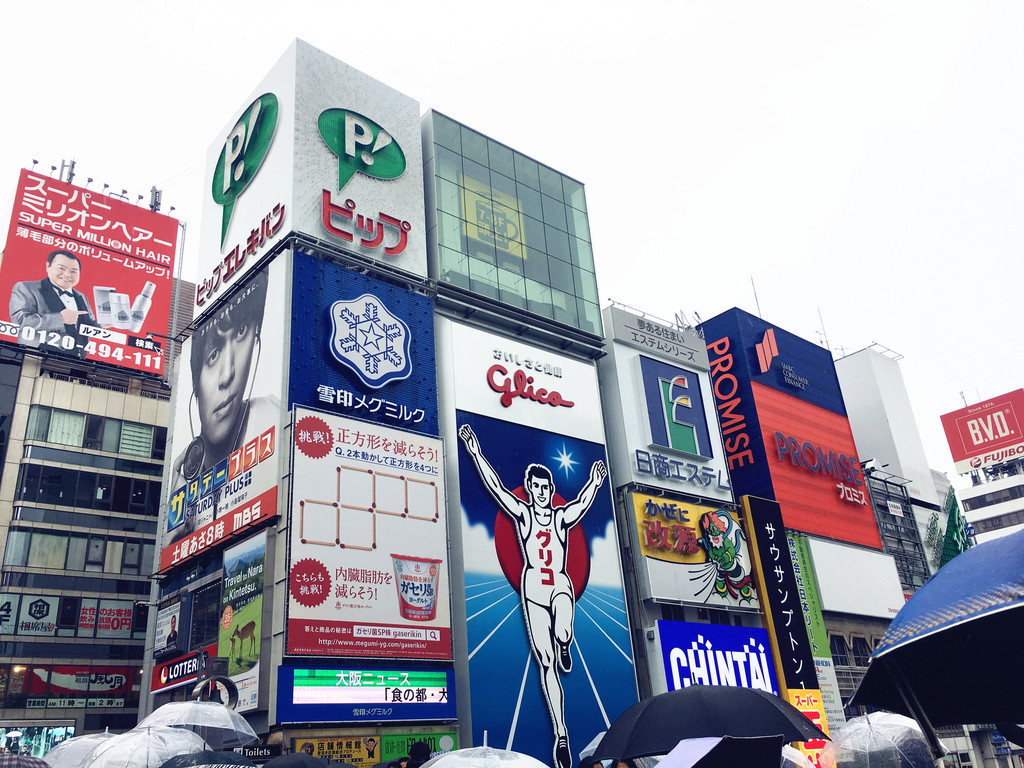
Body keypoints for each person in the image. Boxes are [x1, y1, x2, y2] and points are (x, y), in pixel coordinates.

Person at [458, 424, 607, 768]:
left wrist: (595, 482)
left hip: (558, 585)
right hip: (533, 591)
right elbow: (495, 488)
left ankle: (565, 640)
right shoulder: (523, 515)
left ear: (551, 489)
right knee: (546, 662)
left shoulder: (559, 517)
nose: (539, 491)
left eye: (544, 487)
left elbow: (582, 503)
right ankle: (561, 733)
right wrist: (476, 451)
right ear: (529, 489)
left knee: (563, 632)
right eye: (534, 487)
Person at [169, 268, 274, 539]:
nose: (228, 374)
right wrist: (173, 534)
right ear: (194, 380)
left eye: (241, 332)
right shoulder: (181, 477)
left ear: (256, 339)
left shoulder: (275, 421)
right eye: (213, 355)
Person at [9, 249, 96, 359]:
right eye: (61, 268)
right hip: (36, 355)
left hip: (77, 359)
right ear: (48, 266)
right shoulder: (26, 288)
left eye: (74, 271)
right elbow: (20, 320)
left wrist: (101, 326)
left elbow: (86, 326)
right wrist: (60, 319)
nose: (67, 274)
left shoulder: (81, 296)